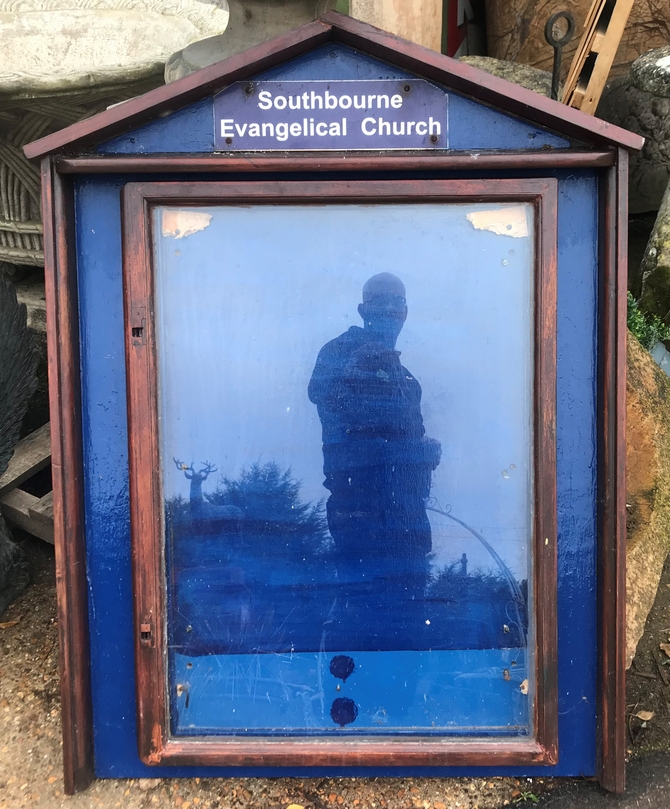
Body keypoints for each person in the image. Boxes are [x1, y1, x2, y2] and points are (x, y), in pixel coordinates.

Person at [308, 273, 441, 601]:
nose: (389, 312)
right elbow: (341, 431)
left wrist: (424, 453)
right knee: (361, 606)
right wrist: (416, 451)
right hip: (362, 513)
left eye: (397, 303)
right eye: (379, 303)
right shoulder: (339, 355)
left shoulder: (407, 381)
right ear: (363, 310)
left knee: (409, 608)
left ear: (406, 311)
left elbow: (407, 441)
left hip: (408, 517)